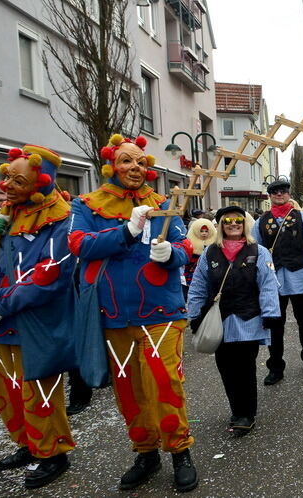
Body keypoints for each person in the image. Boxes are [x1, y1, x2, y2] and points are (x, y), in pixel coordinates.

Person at [69, 134, 198, 493]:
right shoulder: (87, 205)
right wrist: (127, 231)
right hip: (113, 315)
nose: (135, 168)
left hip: (162, 313)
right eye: (127, 161)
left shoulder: (163, 203)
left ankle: (179, 452)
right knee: (129, 391)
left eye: (141, 162)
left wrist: (170, 255)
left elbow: (184, 246)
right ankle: (146, 452)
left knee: (165, 385)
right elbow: (80, 244)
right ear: (112, 165)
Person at [0, 146, 77, 488]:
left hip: (33, 321)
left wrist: (3, 302)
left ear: (40, 181)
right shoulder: (7, 212)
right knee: (5, 386)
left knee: (38, 390)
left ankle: (52, 451)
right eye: (6, 177)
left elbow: (51, 274)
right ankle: (28, 443)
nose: (7, 185)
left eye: (18, 180)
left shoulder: (61, 219)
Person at [187, 206, 280, 437]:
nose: (233, 224)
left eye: (238, 220)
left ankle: (247, 414)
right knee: (226, 368)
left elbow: (268, 284)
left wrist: (270, 313)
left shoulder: (258, 251)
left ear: (244, 224)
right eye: (227, 220)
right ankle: (236, 409)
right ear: (220, 224)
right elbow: (198, 286)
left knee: (245, 367)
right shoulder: (210, 253)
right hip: (220, 320)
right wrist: (195, 315)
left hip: (248, 318)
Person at [255, 180, 303, 382]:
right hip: (274, 280)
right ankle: (275, 366)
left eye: (283, 191)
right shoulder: (261, 221)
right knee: (275, 324)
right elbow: (255, 250)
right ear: (269, 196)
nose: (279, 194)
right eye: (275, 192)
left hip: (300, 277)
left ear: (288, 194)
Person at [183, 218, 216, 297]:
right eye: (201, 231)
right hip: (193, 272)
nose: (204, 233)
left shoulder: (215, 244)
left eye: (206, 231)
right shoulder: (188, 243)